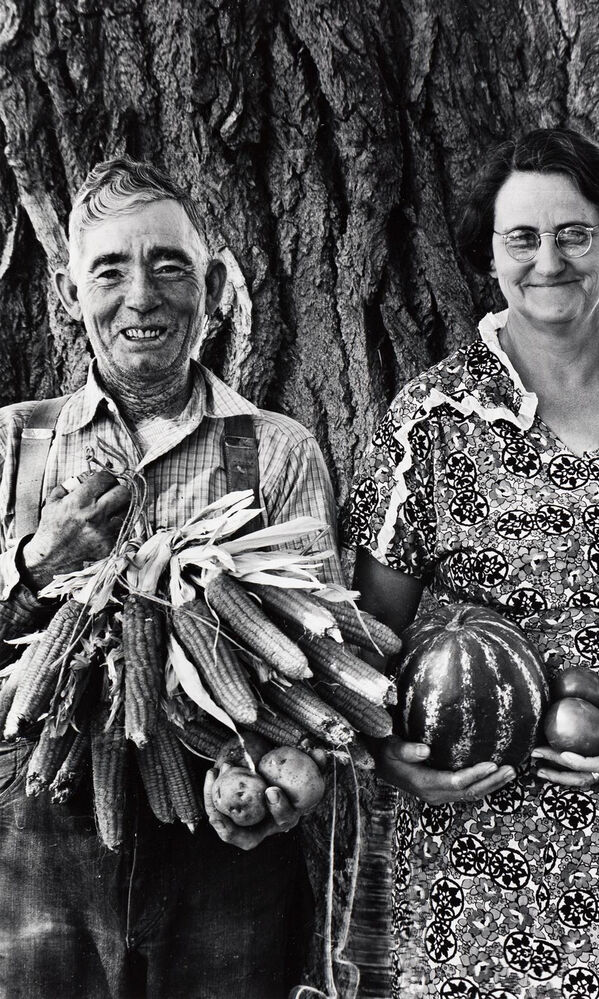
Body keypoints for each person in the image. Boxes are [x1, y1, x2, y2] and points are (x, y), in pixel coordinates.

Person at [344, 127, 599, 998]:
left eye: (575, 233)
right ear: (489, 255)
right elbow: (364, 641)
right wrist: (390, 758)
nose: (549, 260)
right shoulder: (432, 419)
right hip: (473, 845)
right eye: (521, 237)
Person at [0, 159, 355, 999]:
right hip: (39, 842)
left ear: (215, 282)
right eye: (110, 269)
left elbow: (320, 660)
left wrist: (280, 774)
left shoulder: (276, 449)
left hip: (224, 847)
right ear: (66, 290)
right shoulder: (14, 446)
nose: (142, 295)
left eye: (169, 264)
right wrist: (38, 560)